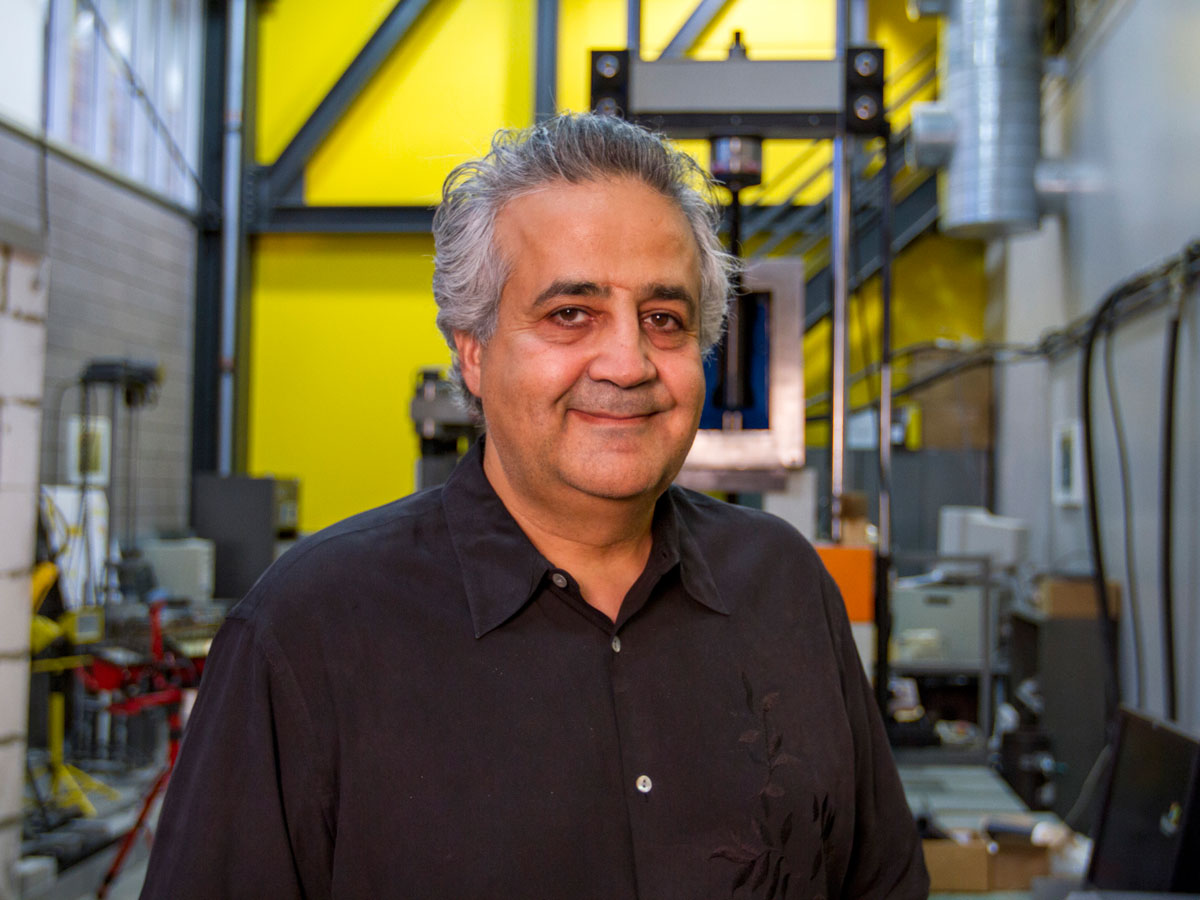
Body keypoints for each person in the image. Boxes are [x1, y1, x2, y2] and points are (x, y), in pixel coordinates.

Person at [140, 113, 928, 900]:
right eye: (570, 314)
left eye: (664, 319)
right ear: (473, 351)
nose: (627, 363)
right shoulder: (307, 633)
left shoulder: (784, 586)